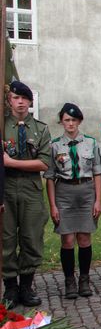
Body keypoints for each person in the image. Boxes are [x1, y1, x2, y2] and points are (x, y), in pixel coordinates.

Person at [44, 103, 101, 299]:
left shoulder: (91, 143)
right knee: (67, 239)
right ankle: (70, 281)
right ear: (61, 121)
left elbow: (97, 172)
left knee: (84, 238)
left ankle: (84, 280)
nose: (70, 124)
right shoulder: (54, 145)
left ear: (79, 121)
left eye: (74, 120)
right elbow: (50, 177)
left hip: (86, 192)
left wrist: (97, 201)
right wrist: (53, 205)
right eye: (66, 120)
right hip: (64, 192)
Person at [2, 81, 51, 308]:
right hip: (7, 189)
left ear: (30, 101)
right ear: (9, 100)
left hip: (31, 190)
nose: (20, 102)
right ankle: (10, 289)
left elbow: (44, 163)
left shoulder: (41, 129)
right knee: (7, 238)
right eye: (15, 97)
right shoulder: (2, 126)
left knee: (31, 238)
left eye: (24, 98)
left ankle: (26, 287)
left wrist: (12, 162)